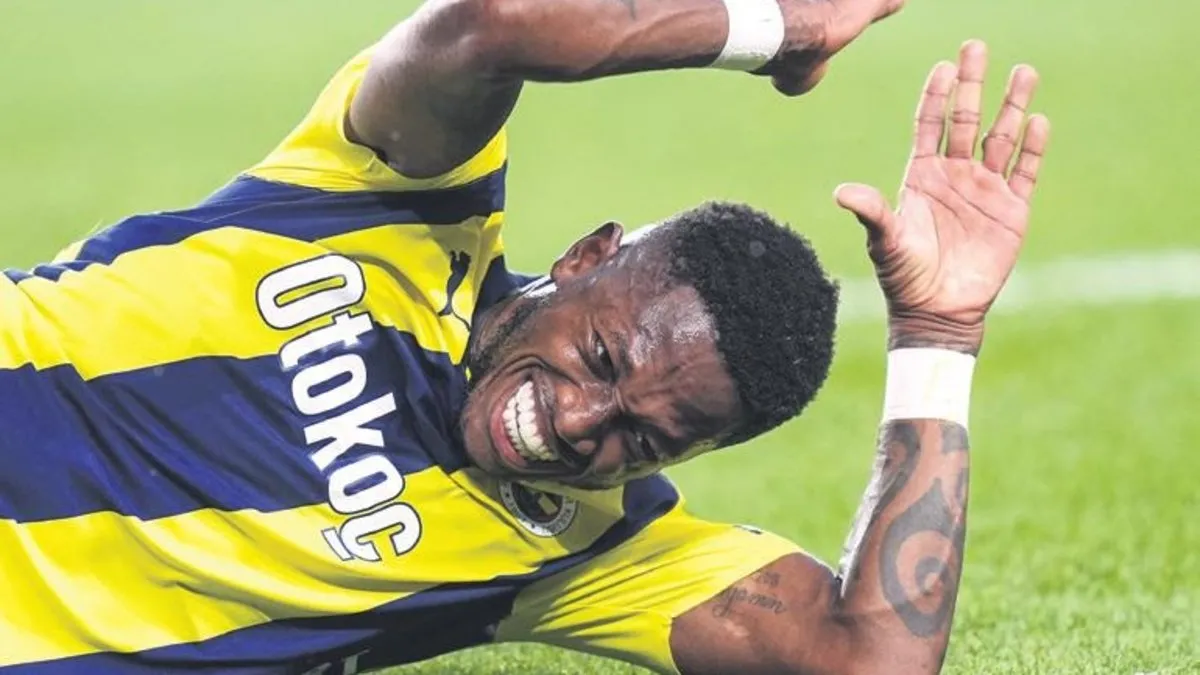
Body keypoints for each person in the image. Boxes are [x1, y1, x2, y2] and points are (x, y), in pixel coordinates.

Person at [0, 0, 1049, 671]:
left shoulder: (587, 547)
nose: (578, 423)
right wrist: (774, 27)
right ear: (587, 258)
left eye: (642, 439)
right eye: (602, 359)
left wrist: (938, 333)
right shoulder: (393, 202)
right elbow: (493, 21)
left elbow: (864, 663)